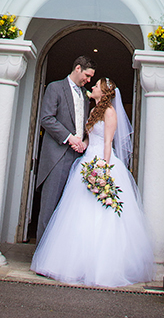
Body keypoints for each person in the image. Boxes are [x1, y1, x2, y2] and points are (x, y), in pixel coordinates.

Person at [31, 77, 154, 288]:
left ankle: (101, 266)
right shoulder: (94, 111)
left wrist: (103, 169)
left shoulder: (110, 113)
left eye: (96, 85)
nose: (92, 87)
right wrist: (82, 145)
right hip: (87, 160)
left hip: (101, 162)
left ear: (104, 92)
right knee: (77, 213)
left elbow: (107, 142)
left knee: (101, 214)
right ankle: (73, 262)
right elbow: (91, 138)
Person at [35, 55, 95, 241]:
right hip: (57, 156)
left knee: (67, 210)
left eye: (91, 78)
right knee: (49, 207)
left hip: (78, 158)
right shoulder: (55, 88)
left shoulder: (85, 96)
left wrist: (84, 141)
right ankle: (41, 256)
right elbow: (46, 119)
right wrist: (70, 138)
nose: (89, 80)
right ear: (77, 68)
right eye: (87, 75)